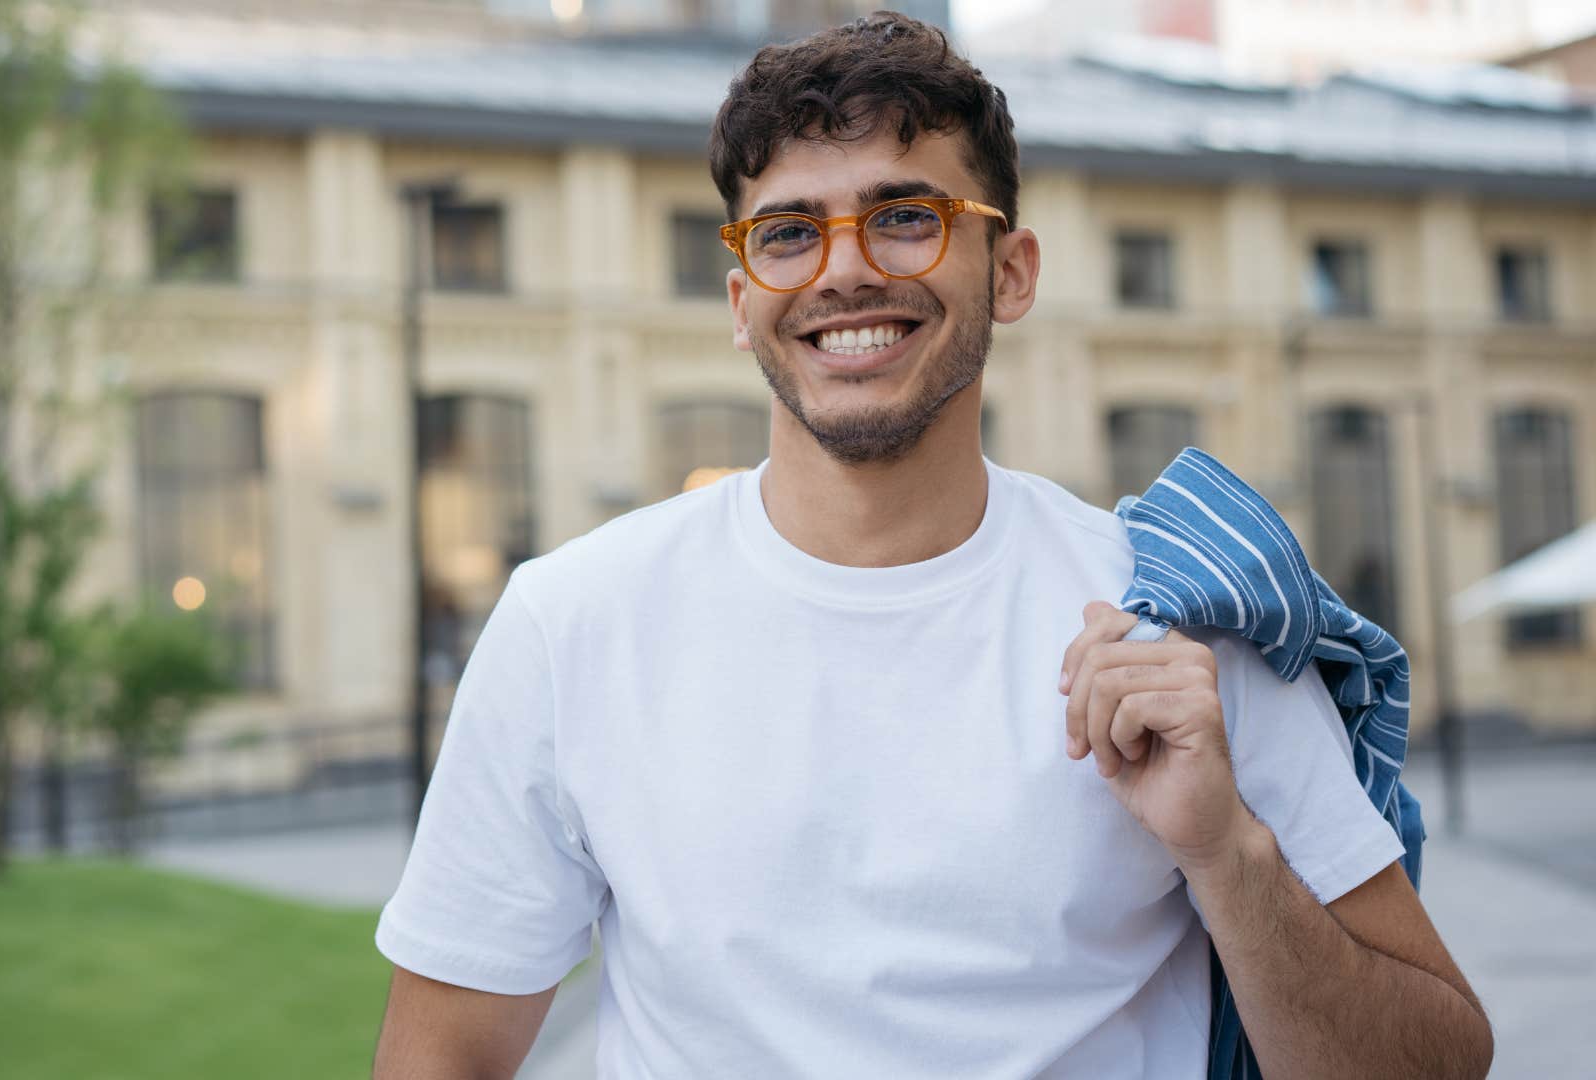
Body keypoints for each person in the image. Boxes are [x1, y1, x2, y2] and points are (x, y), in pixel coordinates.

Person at [370, 13, 1492, 1078]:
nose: (842, 271)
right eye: (789, 233)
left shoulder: (1173, 619)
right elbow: (443, 1054)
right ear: (740, 294)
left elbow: (1439, 1061)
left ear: (1011, 272)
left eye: (906, 216)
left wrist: (1226, 853)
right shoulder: (575, 623)